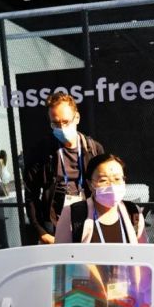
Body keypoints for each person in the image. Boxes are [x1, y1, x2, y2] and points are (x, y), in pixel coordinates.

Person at [24, 91, 103, 245]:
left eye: (66, 122)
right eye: (55, 123)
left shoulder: (94, 149)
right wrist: (41, 232)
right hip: (54, 226)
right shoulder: (41, 151)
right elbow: (30, 194)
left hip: (88, 223)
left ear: (77, 118)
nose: (61, 127)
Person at [55, 154, 146, 244]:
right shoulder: (72, 213)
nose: (112, 185)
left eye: (117, 179)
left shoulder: (134, 212)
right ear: (90, 184)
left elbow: (144, 251)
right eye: (103, 180)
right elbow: (61, 252)